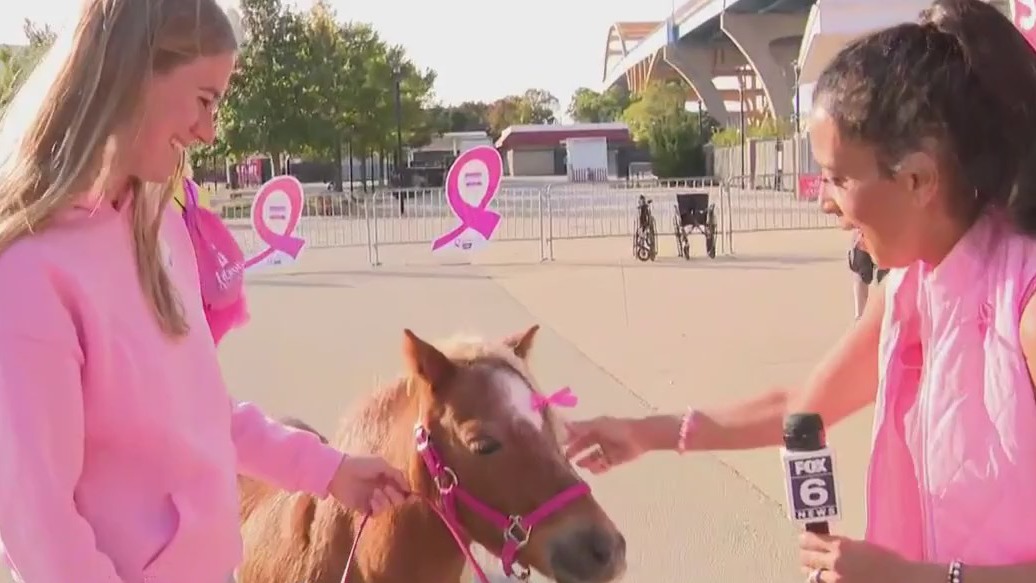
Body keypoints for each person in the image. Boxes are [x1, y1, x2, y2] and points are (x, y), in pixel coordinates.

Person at [564, 1, 1036, 582]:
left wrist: (917, 578)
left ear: (917, 178)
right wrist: (644, 433)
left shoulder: (1026, 307)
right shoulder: (909, 289)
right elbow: (803, 408)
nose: (823, 199)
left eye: (838, 177)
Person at [0, 2, 408, 583]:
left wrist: (330, 471)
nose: (209, 131)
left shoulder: (159, 229)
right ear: (131, 76)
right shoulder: (27, 274)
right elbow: (37, 521)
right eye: (204, 99)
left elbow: (203, 417)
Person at [848, 230, 889, 319]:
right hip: (863, 232)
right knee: (861, 268)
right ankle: (860, 317)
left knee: (885, 273)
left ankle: (883, 315)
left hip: (887, 234)